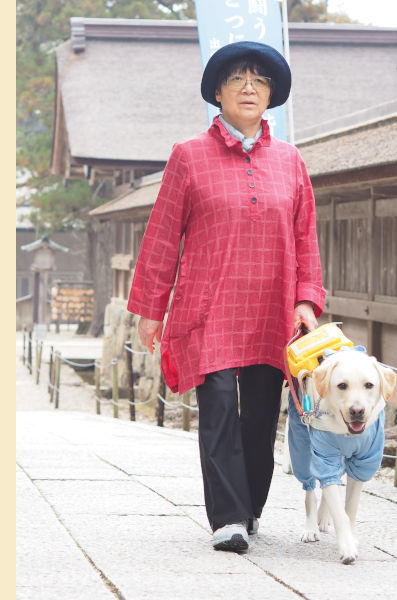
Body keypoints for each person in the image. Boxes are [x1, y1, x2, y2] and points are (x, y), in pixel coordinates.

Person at [127, 41, 326, 553]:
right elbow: (163, 235)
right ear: (217, 92)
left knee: (261, 413)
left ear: (271, 94)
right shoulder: (188, 156)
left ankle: (251, 507)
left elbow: (307, 237)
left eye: (259, 80)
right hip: (208, 305)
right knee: (217, 408)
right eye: (236, 79)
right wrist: (151, 309)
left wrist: (306, 300)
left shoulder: (290, 161)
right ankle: (228, 518)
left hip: (271, 307)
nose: (248, 88)